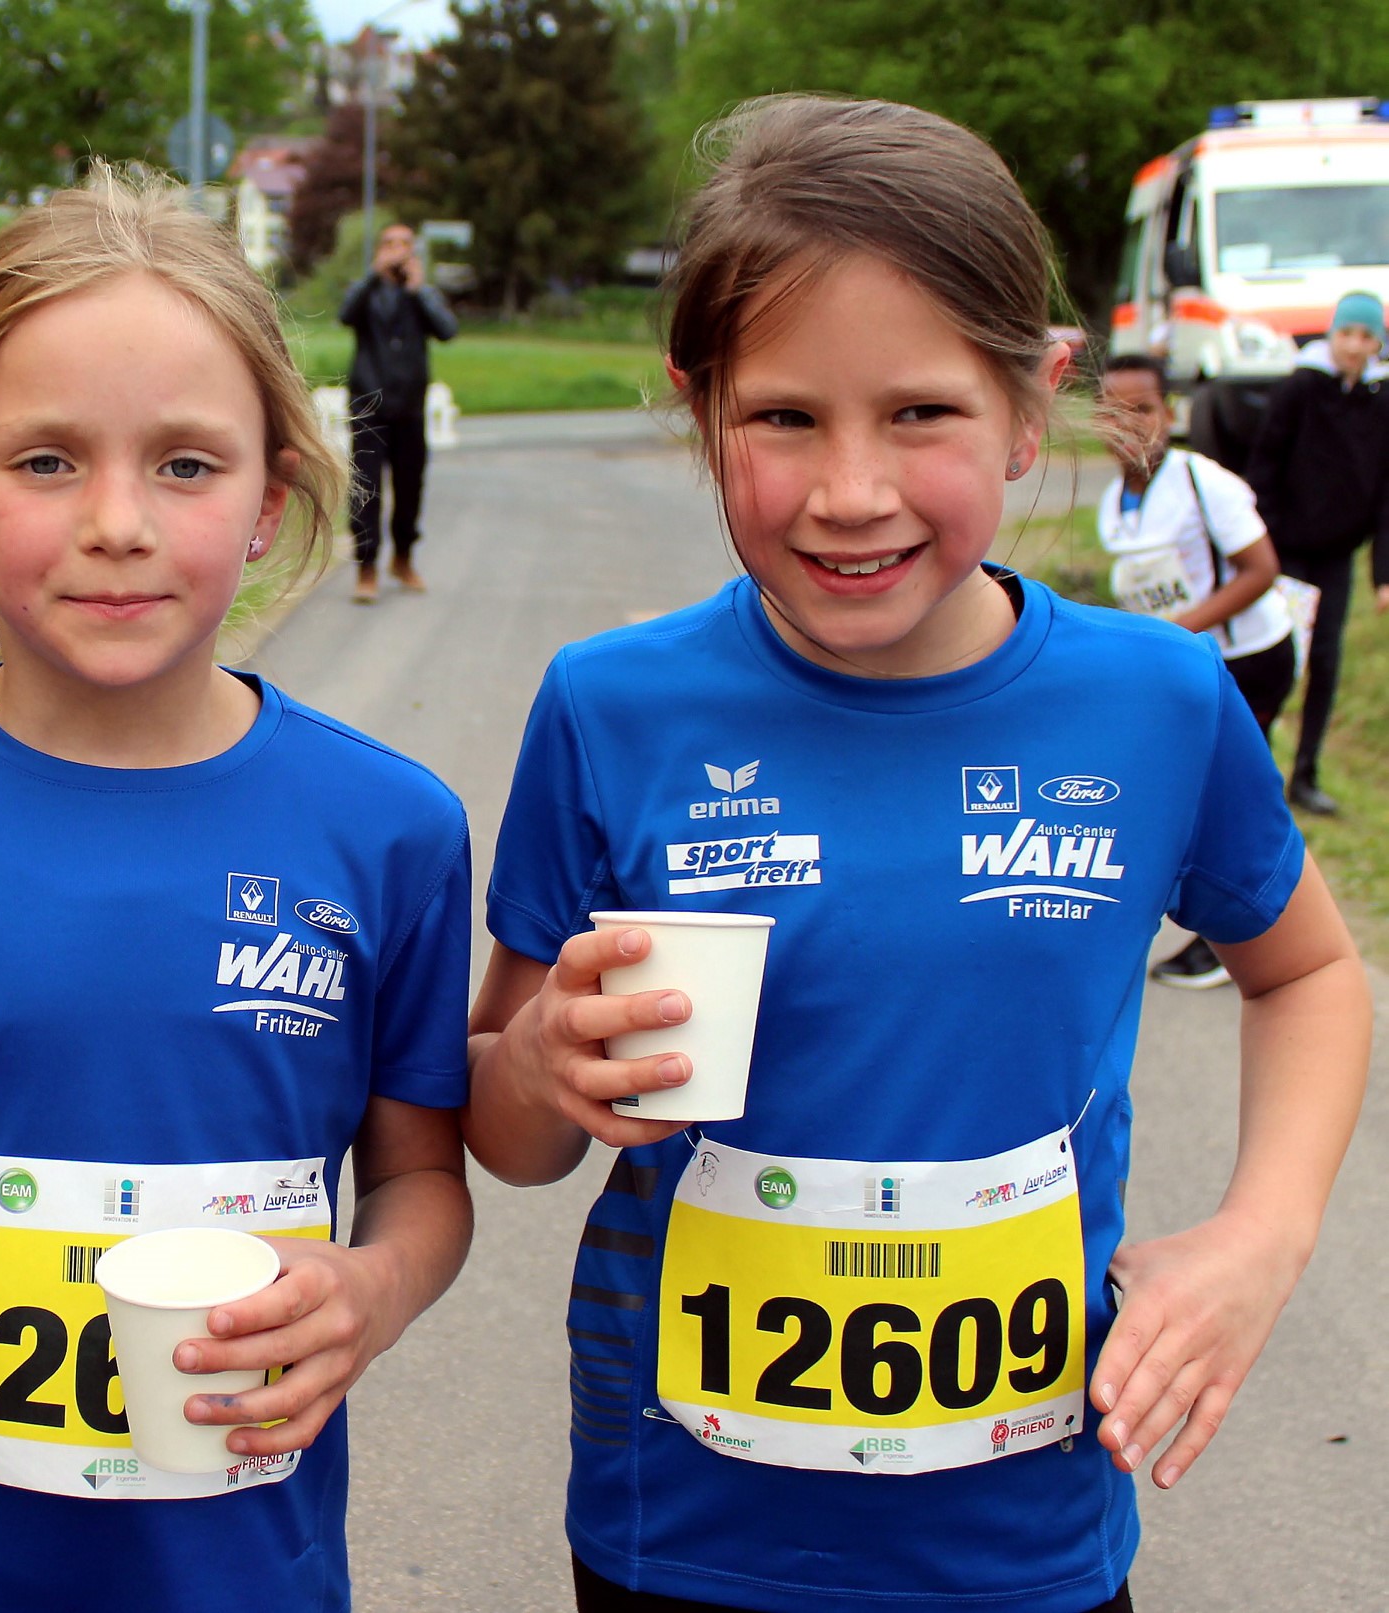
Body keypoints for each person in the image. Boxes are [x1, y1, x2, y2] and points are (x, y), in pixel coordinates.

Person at [464, 97, 1370, 1613]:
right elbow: (507, 1122)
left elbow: (1309, 974)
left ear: (1030, 405)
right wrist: (545, 1064)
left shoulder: (1153, 701)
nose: (849, 490)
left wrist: (1260, 1237)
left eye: (919, 414)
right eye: (781, 418)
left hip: (1021, 1544)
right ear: (699, 409)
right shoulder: (611, 707)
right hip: (678, 1528)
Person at [0, 164, 473, 1613]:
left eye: (184, 465)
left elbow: (417, 1177)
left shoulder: (391, 830)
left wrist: (370, 1290)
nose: (116, 521)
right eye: (46, 461)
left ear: (269, 497)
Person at [1094, 351, 1296, 989]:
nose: (1130, 424)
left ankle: (1239, 945)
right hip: (1185, 666)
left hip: (1247, 659)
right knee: (1185, 789)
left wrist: (1174, 634)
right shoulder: (1115, 500)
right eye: (1114, 411)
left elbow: (1261, 570)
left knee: (1230, 798)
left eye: (1144, 409)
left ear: (1170, 412)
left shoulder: (1205, 482)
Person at [1244, 290, 1389, 815]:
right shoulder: (1300, 388)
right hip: (1285, 550)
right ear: (1332, 335)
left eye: (1365, 336)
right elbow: (1265, 465)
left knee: (1326, 661)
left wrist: (1383, 574)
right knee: (1280, 659)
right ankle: (1255, 767)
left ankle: (1306, 774)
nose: (1354, 345)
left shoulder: (1382, 399)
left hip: (1336, 554)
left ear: (1377, 343)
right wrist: (1259, 542)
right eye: (1346, 333)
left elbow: (1387, 492)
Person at [339, 221, 457, 602]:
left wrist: (418, 290)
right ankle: (367, 566)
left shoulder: (422, 294)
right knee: (366, 488)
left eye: (404, 244)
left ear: (414, 252)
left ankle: (403, 557)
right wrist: (375, 276)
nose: (397, 251)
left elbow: (447, 330)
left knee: (410, 487)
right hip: (368, 404)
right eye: (389, 244)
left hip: (409, 406)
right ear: (379, 251)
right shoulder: (366, 291)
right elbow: (345, 315)